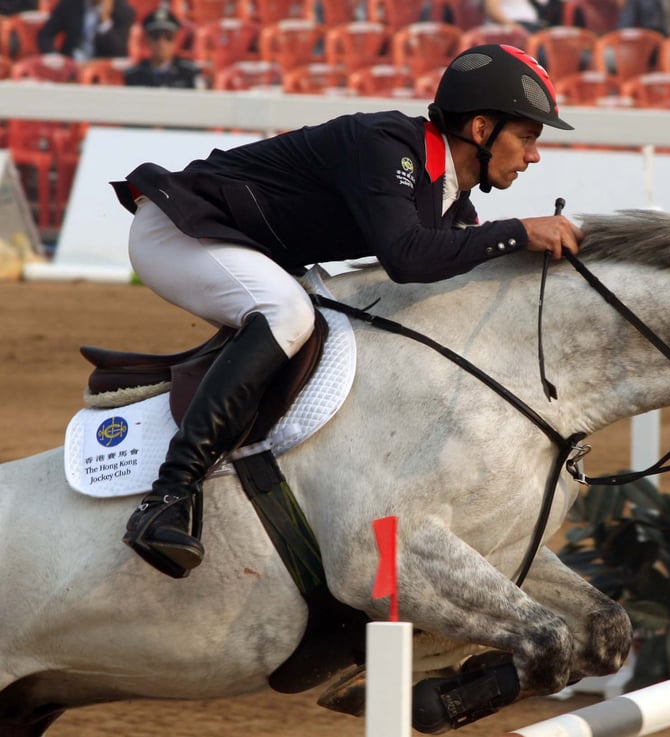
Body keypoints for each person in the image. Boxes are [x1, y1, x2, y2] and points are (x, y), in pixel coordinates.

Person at [112, 44, 583, 579]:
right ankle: (168, 496)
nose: (533, 156)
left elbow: (454, 262)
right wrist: (521, 230)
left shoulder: (451, 201)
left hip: (239, 245)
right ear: (480, 129)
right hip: (179, 230)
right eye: (528, 137)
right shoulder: (388, 144)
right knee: (289, 315)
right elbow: (407, 258)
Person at [124, 7, 202, 89]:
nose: (161, 43)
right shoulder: (134, 75)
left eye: (168, 37)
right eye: (155, 37)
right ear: (147, 40)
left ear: (176, 40)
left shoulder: (189, 73)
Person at [36, 0, 135, 61]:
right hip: (71, 62)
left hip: (101, 66)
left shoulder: (123, 10)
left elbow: (119, 50)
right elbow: (45, 34)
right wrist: (52, 55)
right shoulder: (70, 4)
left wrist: (105, 22)